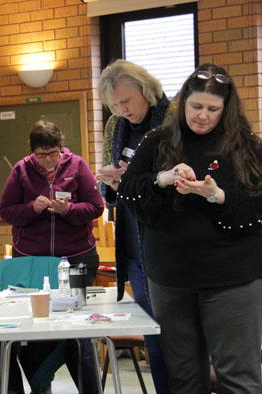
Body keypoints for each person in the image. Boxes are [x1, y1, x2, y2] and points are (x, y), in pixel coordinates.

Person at [117, 63, 262, 393]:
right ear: (183, 104)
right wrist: (161, 179)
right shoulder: (157, 142)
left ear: (226, 109)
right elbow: (127, 191)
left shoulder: (247, 146)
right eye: (196, 106)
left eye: (213, 109)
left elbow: (258, 203)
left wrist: (217, 195)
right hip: (170, 280)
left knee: (238, 376)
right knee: (183, 377)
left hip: (233, 280)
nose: (203, 116)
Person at [0, 119, 104, 394]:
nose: (48, 160)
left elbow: (95, 207)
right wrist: (33, 207)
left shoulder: (77, 166)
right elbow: (6, 211)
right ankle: (41, 385)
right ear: (32, 152)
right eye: (41, 154)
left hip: (77, 257)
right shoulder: (21, 170)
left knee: (76, 332)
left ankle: (89, 388)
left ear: (61, 147)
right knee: (36, 332)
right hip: (32, 261)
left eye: (53, 153)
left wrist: (68, 211)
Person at [95, 59, 174, 393]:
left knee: (174, 337)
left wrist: (135, 181)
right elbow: (110, 189)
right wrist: (113, 185)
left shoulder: (172, 119)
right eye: (115, 104)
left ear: (145, 89)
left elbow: (175, 182)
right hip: (133, 247)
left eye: (126, 100)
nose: (122, 109)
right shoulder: (116, 125)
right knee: (154, 335)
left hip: (167, 245)